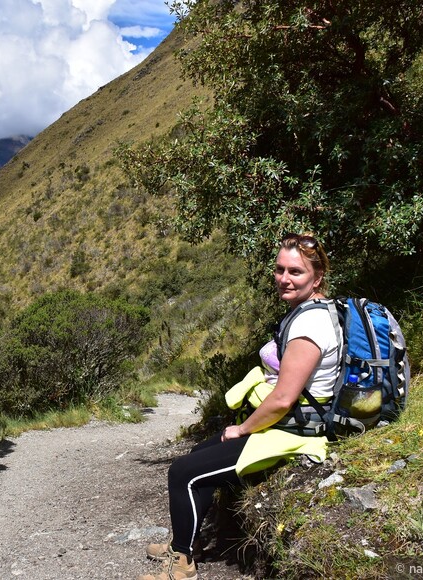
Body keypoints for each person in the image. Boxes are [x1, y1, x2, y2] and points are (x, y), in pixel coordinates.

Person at [138, 232, 342, 580]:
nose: (284, 279)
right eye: (280, 270)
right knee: (201, 450)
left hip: (294, 432)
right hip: (287, 424)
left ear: (317, 277)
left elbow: (282, 399)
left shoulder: (309, 325)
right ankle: (185, 542)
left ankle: (182, 564)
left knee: (182, 473)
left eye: (296, 272)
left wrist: (244, 429)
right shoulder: (316, 310)